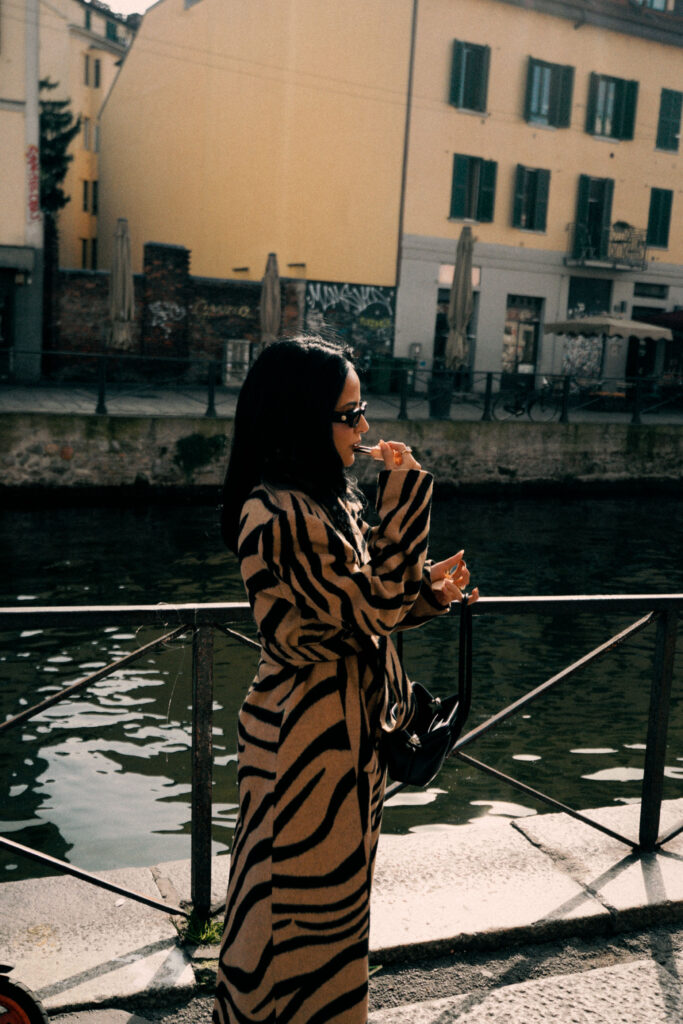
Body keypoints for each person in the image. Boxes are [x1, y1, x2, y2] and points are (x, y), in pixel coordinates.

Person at [213, 336, 477, 1024]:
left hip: (345, 739)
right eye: (350, 414)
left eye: (362, 410)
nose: (364, 427)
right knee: (296, 921)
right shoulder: (276, 514)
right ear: (302, 418)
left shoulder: (326, 500)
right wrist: (407, 500)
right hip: (304, 741)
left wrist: (428, 591)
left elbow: (358, 614)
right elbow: (368, 608)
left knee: (330, 916)